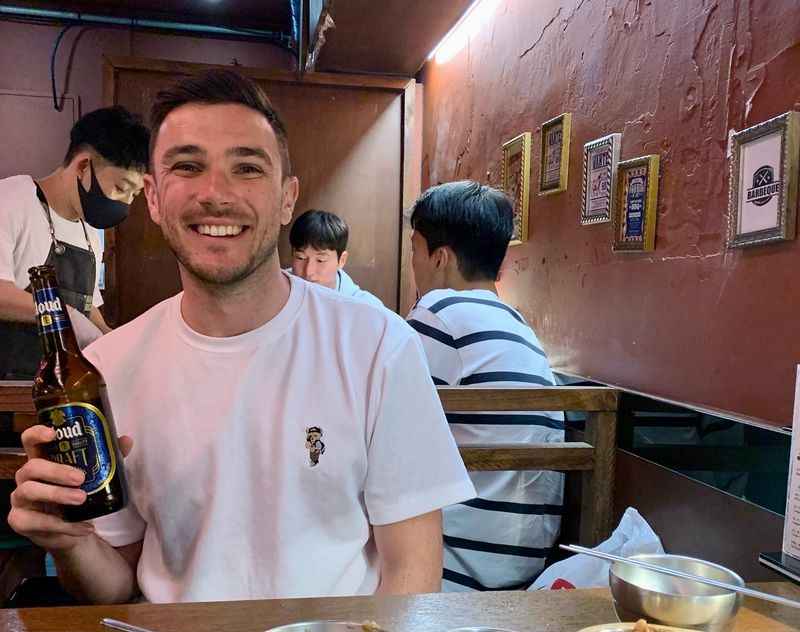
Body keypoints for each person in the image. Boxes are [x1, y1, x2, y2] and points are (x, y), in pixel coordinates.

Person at [8, 69, 475, 604]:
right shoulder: (110, 364)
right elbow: (114, 587)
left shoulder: (377, 345)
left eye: (247, 168)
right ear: (155, 199)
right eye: (188, 166)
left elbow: (414, 578)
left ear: (285, 199)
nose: (216, 194)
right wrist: (70, 542)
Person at [406, 180, 564, 591]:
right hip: (525, 561)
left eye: (413, 250)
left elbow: (381, 420)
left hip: (455, 565)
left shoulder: (438, 311)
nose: (413, 263)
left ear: (439, 258)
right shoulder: (518, 325)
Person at [0, 106, 150, 378]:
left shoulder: (89, 232)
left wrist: (112, 340)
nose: (125, 203)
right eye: (120, 188)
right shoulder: (11, 201)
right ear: (83, 166)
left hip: (64, 388)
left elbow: (87, 306)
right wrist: (65, 314)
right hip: (11, 391)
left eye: (133, 195)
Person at [289, 209, 384, 308]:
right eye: (301, 257)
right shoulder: (277, 291)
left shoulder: (367, 307)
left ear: (341, 260)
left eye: (320, 260)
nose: (308, 271)